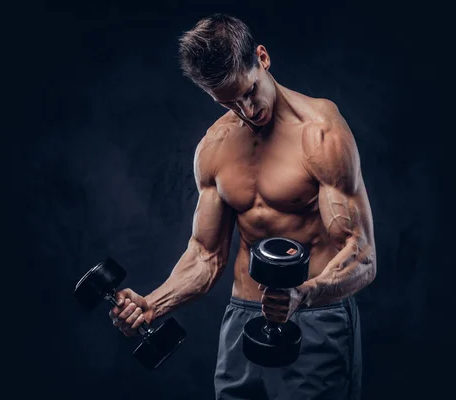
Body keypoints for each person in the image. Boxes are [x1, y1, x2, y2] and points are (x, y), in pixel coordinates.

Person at [109, 13, 376, 399]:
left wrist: (303, 294)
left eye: (250, 92)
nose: (248, 111)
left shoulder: (321, 134)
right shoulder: (214, 148)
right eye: (230, 103)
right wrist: (153, 304)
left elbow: (362, 253)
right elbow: (206, 255)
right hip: (242, 319)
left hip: (315, 319)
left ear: (263, 59)